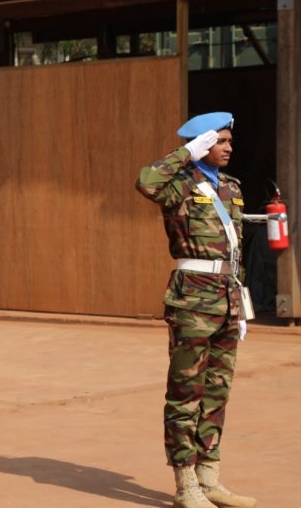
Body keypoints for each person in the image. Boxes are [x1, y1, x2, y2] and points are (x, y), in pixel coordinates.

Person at [136, 112, 257, 508]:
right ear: (204, 143)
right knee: (186, 392)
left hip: (227, 296)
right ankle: (185, 484)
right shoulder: (178, 185)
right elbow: (146, 182)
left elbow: (233, 251)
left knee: (217, 390)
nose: (229, 147)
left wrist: (239, 304)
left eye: (228, 141)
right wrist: (186, 153)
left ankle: (209, 478)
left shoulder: (232, 187)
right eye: (220, 141)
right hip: (193, 300)